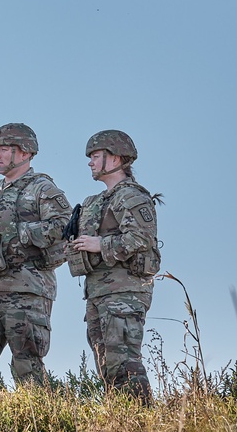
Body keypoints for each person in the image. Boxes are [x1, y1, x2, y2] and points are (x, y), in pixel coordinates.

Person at [0, 123, 72, 390]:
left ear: (24, 153)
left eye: (4, 149)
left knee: (27, 365)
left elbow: (65, 227)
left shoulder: (41, 188)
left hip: (26, 289)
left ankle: (40, 419)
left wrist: (18, 236)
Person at [68, 130, 161, 403]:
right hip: (98, 291)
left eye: (96, 156)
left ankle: (140, 419)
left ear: (116, 158)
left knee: (124, 361)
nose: (90, 162)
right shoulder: (94, 202)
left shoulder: (131, 196)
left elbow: (142, 238)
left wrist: (101, 245)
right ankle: (121, 417)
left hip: (125, 290)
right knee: (106, 362)